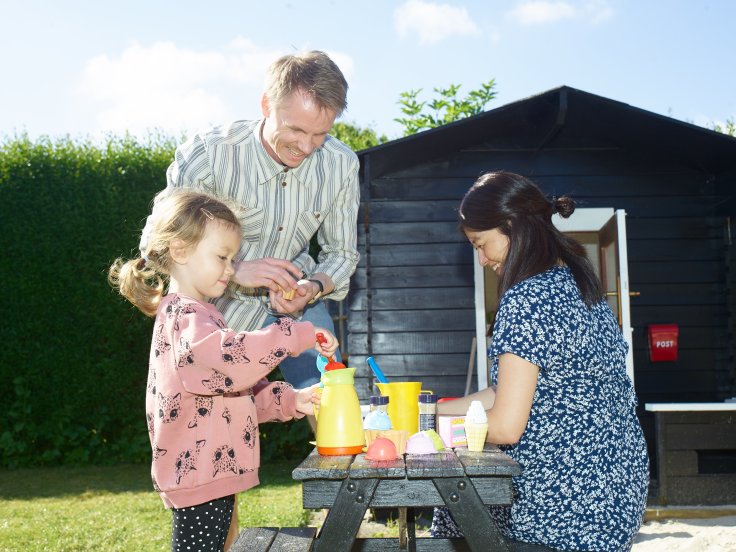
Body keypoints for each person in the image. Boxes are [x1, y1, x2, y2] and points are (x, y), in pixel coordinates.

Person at [110, 188, 338, 552]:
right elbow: (233, 361)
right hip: (200, 474)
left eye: (233, 258)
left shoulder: (200, 315)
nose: (231, 269)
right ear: (180, 250)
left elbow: (233, 391)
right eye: (222, 257)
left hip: (209, 473)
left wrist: (292, 400)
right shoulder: (187, 319)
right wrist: (295, 334)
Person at [432, 171, 649, 551]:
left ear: (512, 227)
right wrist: (437, 411)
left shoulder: (526, 297)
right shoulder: (579, 283)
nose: (481, 259)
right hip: (616, 485)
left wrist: (437, 434)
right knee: (459, 512)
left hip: (567, 499)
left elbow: (505, 427)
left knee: (456, 506)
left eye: (481, 244)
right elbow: (512, 389)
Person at [147, 49, 359, 393]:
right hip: (211, 309)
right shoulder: (209, 154)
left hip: (295, 307)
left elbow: (342, 255)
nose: (306, 146)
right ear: (266, 106)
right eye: (296, 129)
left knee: (331, 393)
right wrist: (234, 271)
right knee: (213, 418)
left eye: (320, 134)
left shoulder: (340, 165)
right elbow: (155, 246)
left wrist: (312, 288)